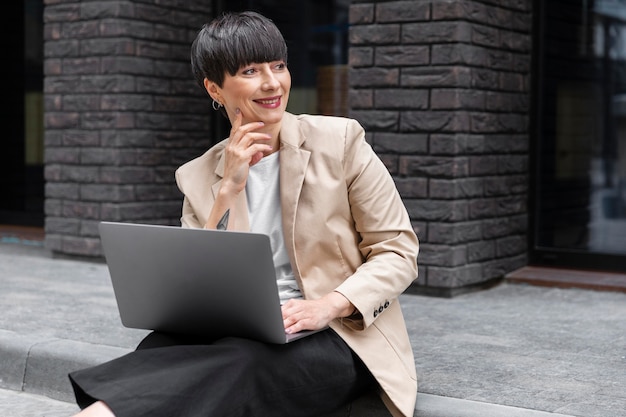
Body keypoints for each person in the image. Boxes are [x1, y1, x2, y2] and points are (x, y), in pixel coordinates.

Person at [68, 10, 419, 417]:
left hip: (335, 331)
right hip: (240, 328)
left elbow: (397, 251)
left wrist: (328, 305)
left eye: (279, 66)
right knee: (157, 346)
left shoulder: (340, 141)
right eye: (250, 71)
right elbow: (199, 285)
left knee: (240, 362)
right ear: (215, 88)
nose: (272, 83)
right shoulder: (198, 174)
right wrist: (230, 189)